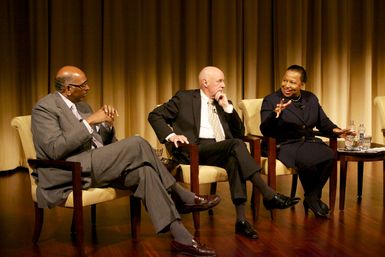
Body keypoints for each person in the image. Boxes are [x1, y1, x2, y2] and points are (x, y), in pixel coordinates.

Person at [31, 65, 221, 257]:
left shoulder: (82, 105)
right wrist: (89, 122)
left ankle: (182, 238)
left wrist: (106, 125)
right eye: (83, 85)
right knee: (137, 142)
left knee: (145, 172)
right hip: (70, 169)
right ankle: (181, 195)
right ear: (68, 89)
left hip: (96, 163)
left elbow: (101, 141)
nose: (88, 88)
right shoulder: (44, 109)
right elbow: (54, 149)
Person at [148, 66, 300, 240]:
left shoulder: (224, 103)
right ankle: (268, 194)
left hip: (222, 148)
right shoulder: (185, 98)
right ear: (205, 82)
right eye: (219, 81)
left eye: (223, 81)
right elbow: (155, 115)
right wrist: (171, 135)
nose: (223, 85)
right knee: (235, 147)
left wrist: (227, 108)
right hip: (195, 149)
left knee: (235, 159)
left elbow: (239, 132)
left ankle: (241, 221)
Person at [260, 64, 354, 218]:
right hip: (284, 144)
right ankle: (313, 199)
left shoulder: (310, 98)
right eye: (285, 81)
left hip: (307, 142)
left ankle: (311, 197)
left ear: (301, 84)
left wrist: (337, 130)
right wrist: (274, 115)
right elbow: (265, 129)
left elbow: (323, 122)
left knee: (330, 155)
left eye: (292, 82)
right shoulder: (271, 100)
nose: (287, 85)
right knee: (308, 161)